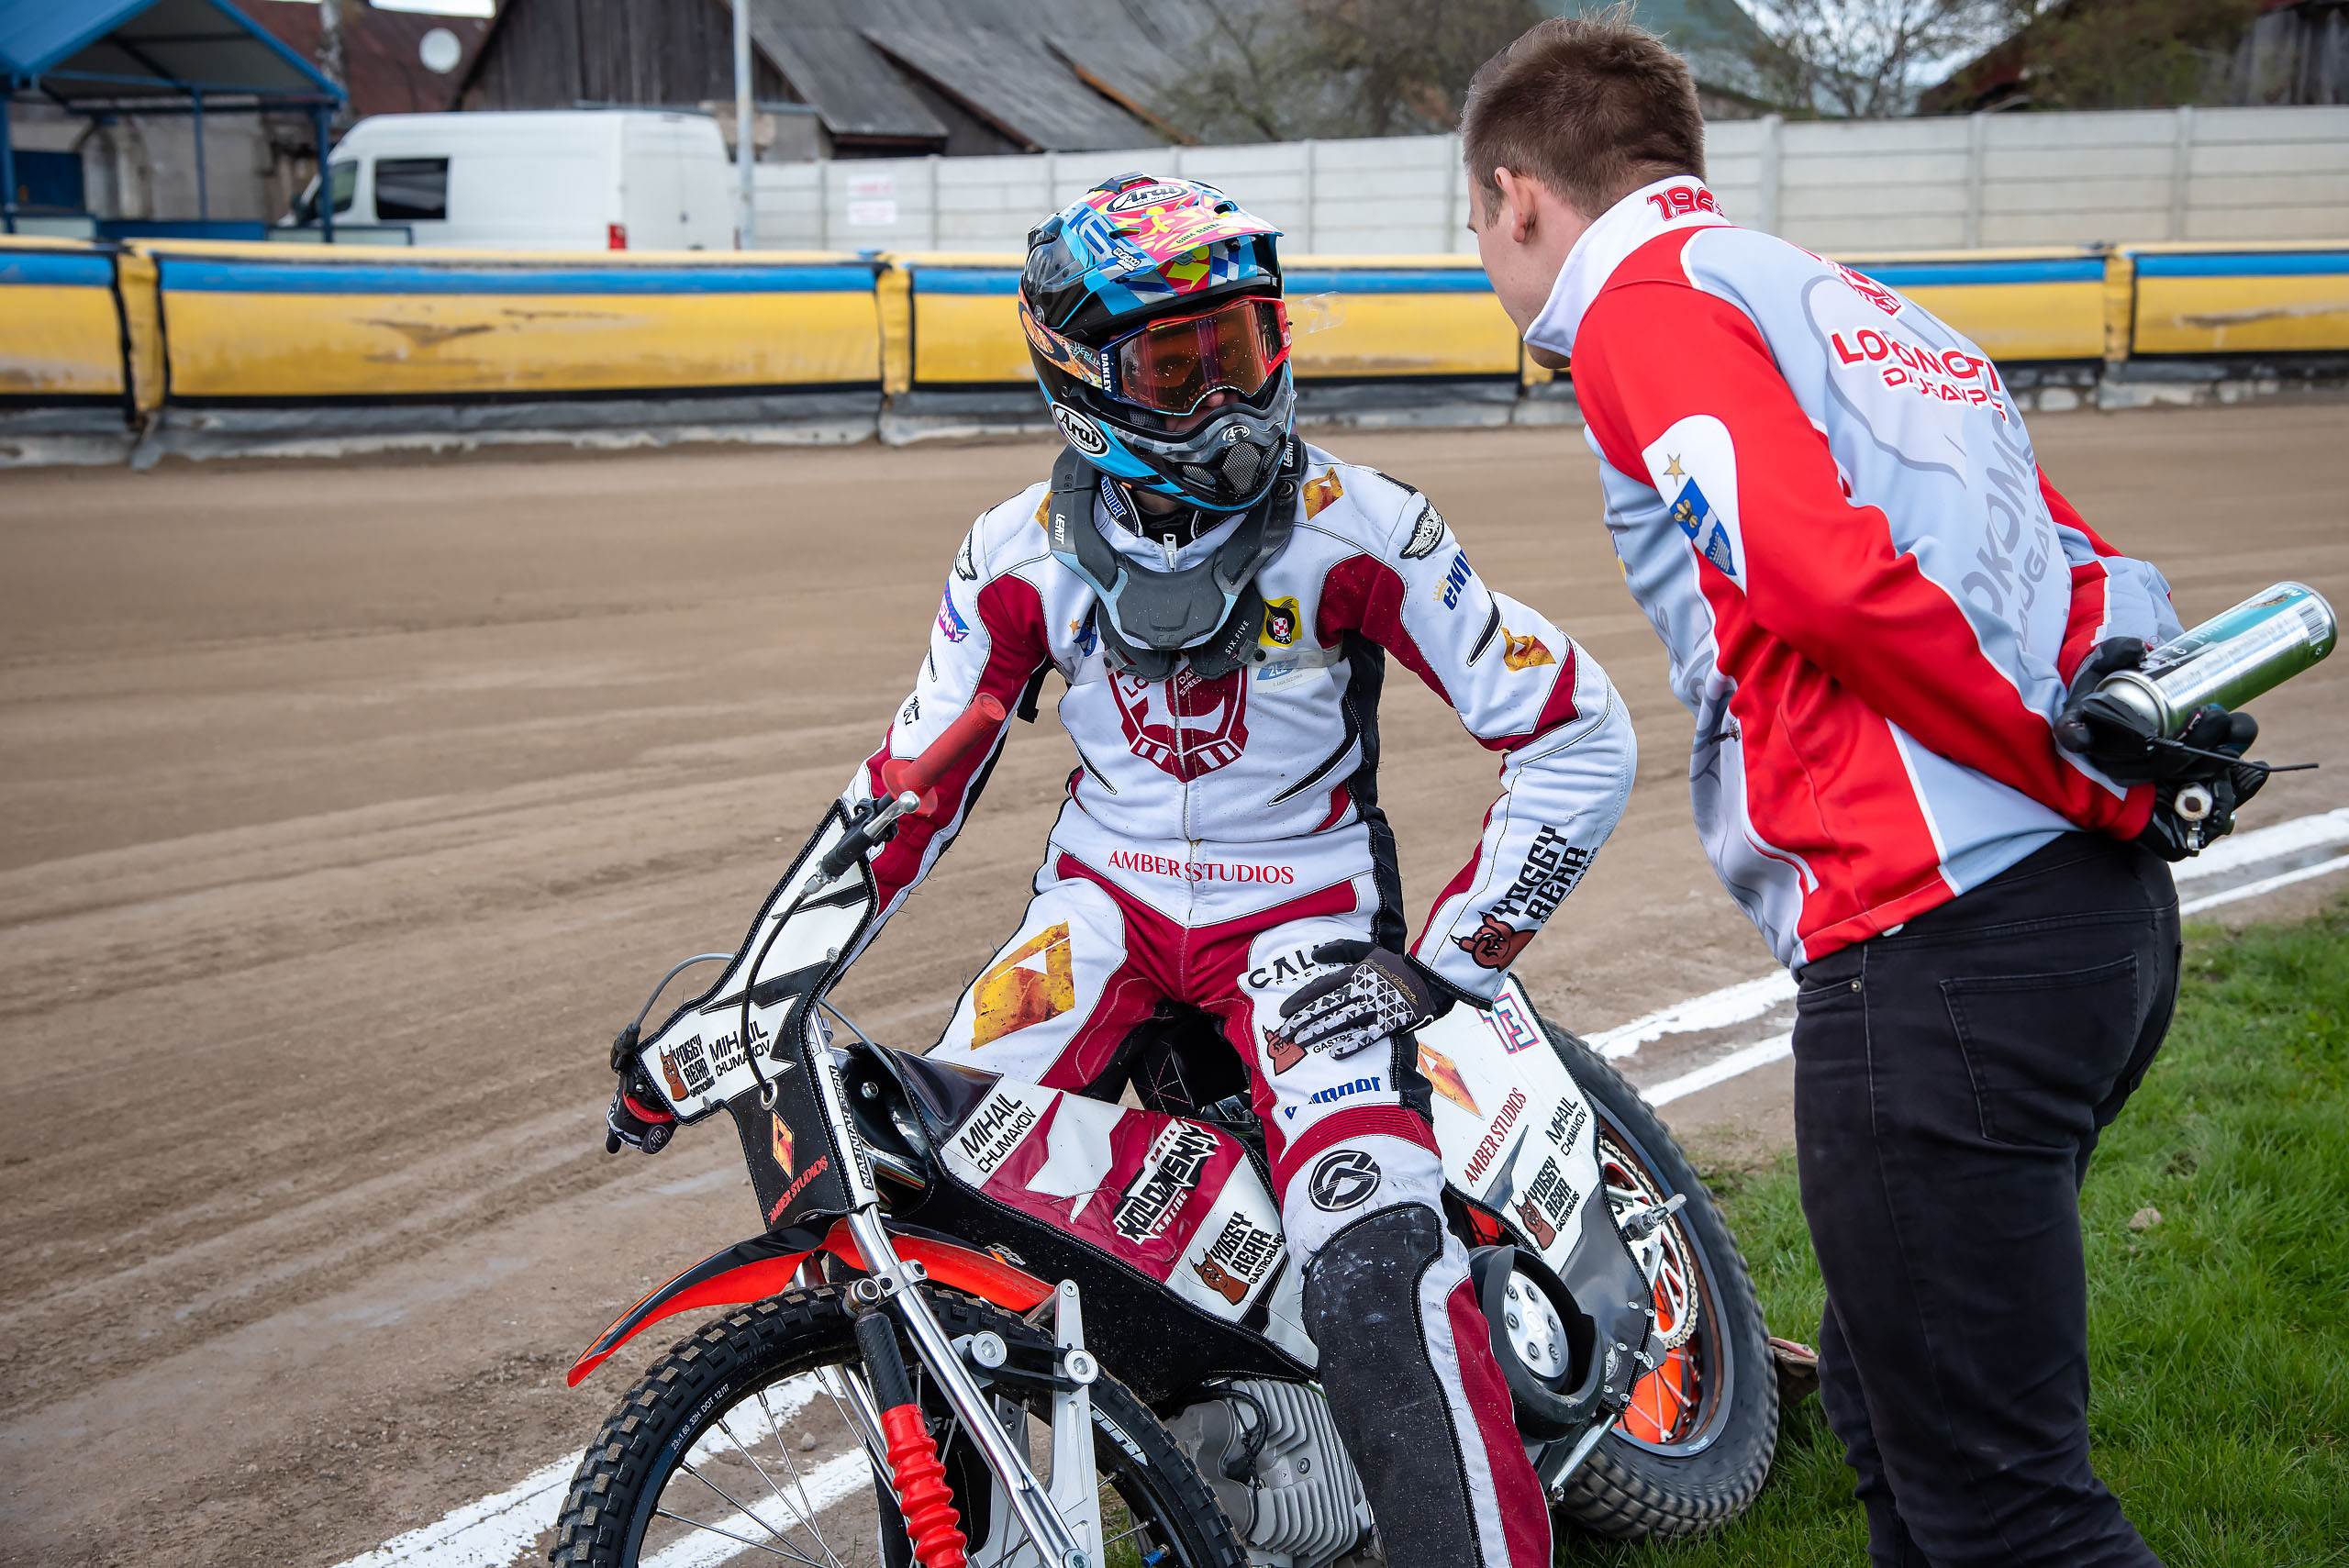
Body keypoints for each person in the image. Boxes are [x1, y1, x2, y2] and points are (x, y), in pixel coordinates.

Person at [621, 173, 1635, 1566]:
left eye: (1247, 344)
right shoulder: (1014, 561)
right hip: (1099, 916)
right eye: (1181, 362)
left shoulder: (1366, 525)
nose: (1232, 397)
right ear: (1083, 379)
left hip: (1307, 929)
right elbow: (902, 797)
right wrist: (748, 1000)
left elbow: (1578, 732)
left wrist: (1445, 961)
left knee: (1381, 1271)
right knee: (919, 1201)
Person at [1458, 17, 2263, 1568]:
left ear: (1520, 197)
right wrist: (2106, 785)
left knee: (2012, 1512)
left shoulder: (1641, 309)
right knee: (1900, 1433)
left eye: (1480, 230)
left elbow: (1823, 583)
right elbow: (2089, 568)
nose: (1490, 261)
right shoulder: (1854, 303)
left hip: (1941, 948)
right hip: (2092, 936)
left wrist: (2059, 774)